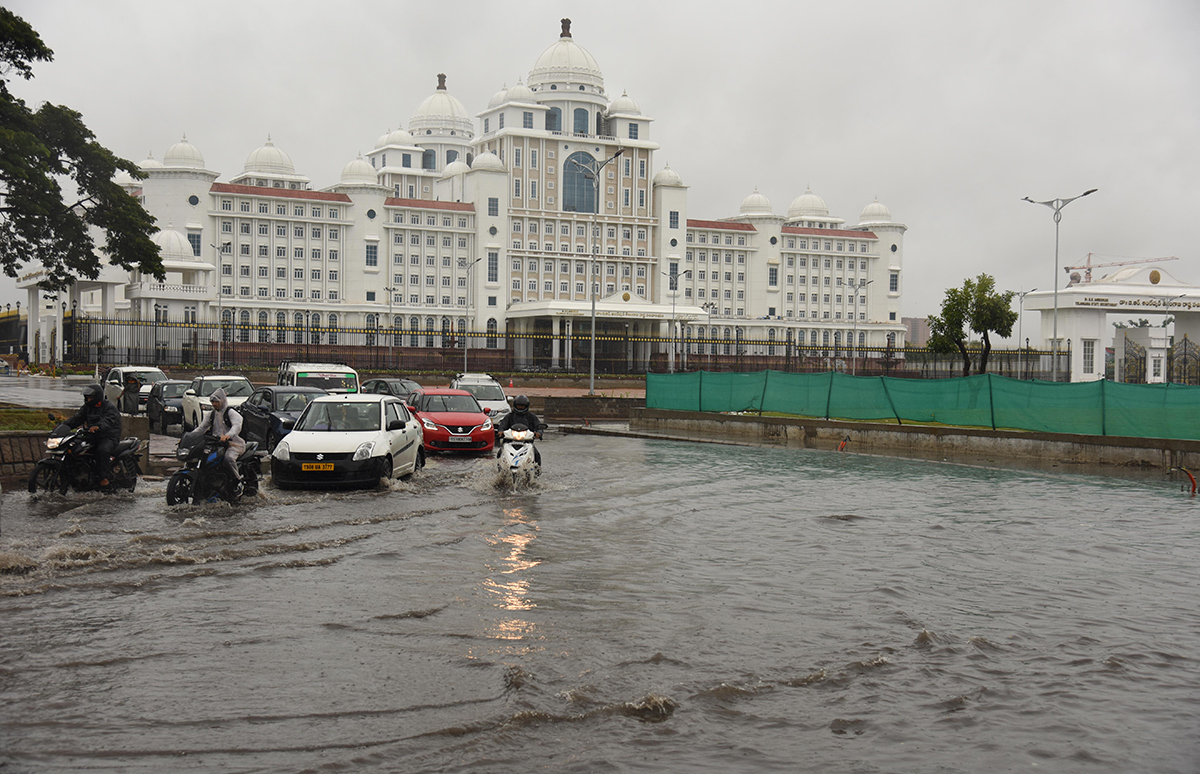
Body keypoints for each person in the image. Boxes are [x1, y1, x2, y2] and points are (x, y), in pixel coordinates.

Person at [64, 383, 122, 487]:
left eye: (90, 397)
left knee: (102, 450)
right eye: (87, 397)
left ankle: (102, 477)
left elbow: (108, 420)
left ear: (97, 397)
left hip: (109, 436)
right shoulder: (87, 407)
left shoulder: (109, 407)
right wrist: (64, 425)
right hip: (93, 435)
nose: (88, 400)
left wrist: (98, 426)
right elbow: (77, 418)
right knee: (75, 448)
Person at [196, 388, 245, 495]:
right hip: (216, 444)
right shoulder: (211, 414)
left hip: (233, 444)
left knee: (228, 458)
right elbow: (201, 428)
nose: (214, 404)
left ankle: (238, 481)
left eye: (216, 401)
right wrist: (189, 436)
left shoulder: (231, 412)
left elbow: (237, 426)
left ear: (222, 401)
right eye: (212, 402)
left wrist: (228, 436)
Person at [496, 395, 542, 466]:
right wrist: (501, 431)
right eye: (518, 406)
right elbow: (503, 425)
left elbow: (538, 426)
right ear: (515, 405)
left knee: (537, 454)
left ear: (526, 406)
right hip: (510, 441)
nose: (520, 407)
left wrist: (539, 433)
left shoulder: (531, 417)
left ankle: (537, 471)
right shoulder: (509, 416)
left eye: (522, 406)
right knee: (500, 453)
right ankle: (499, 468)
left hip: (527, 442)